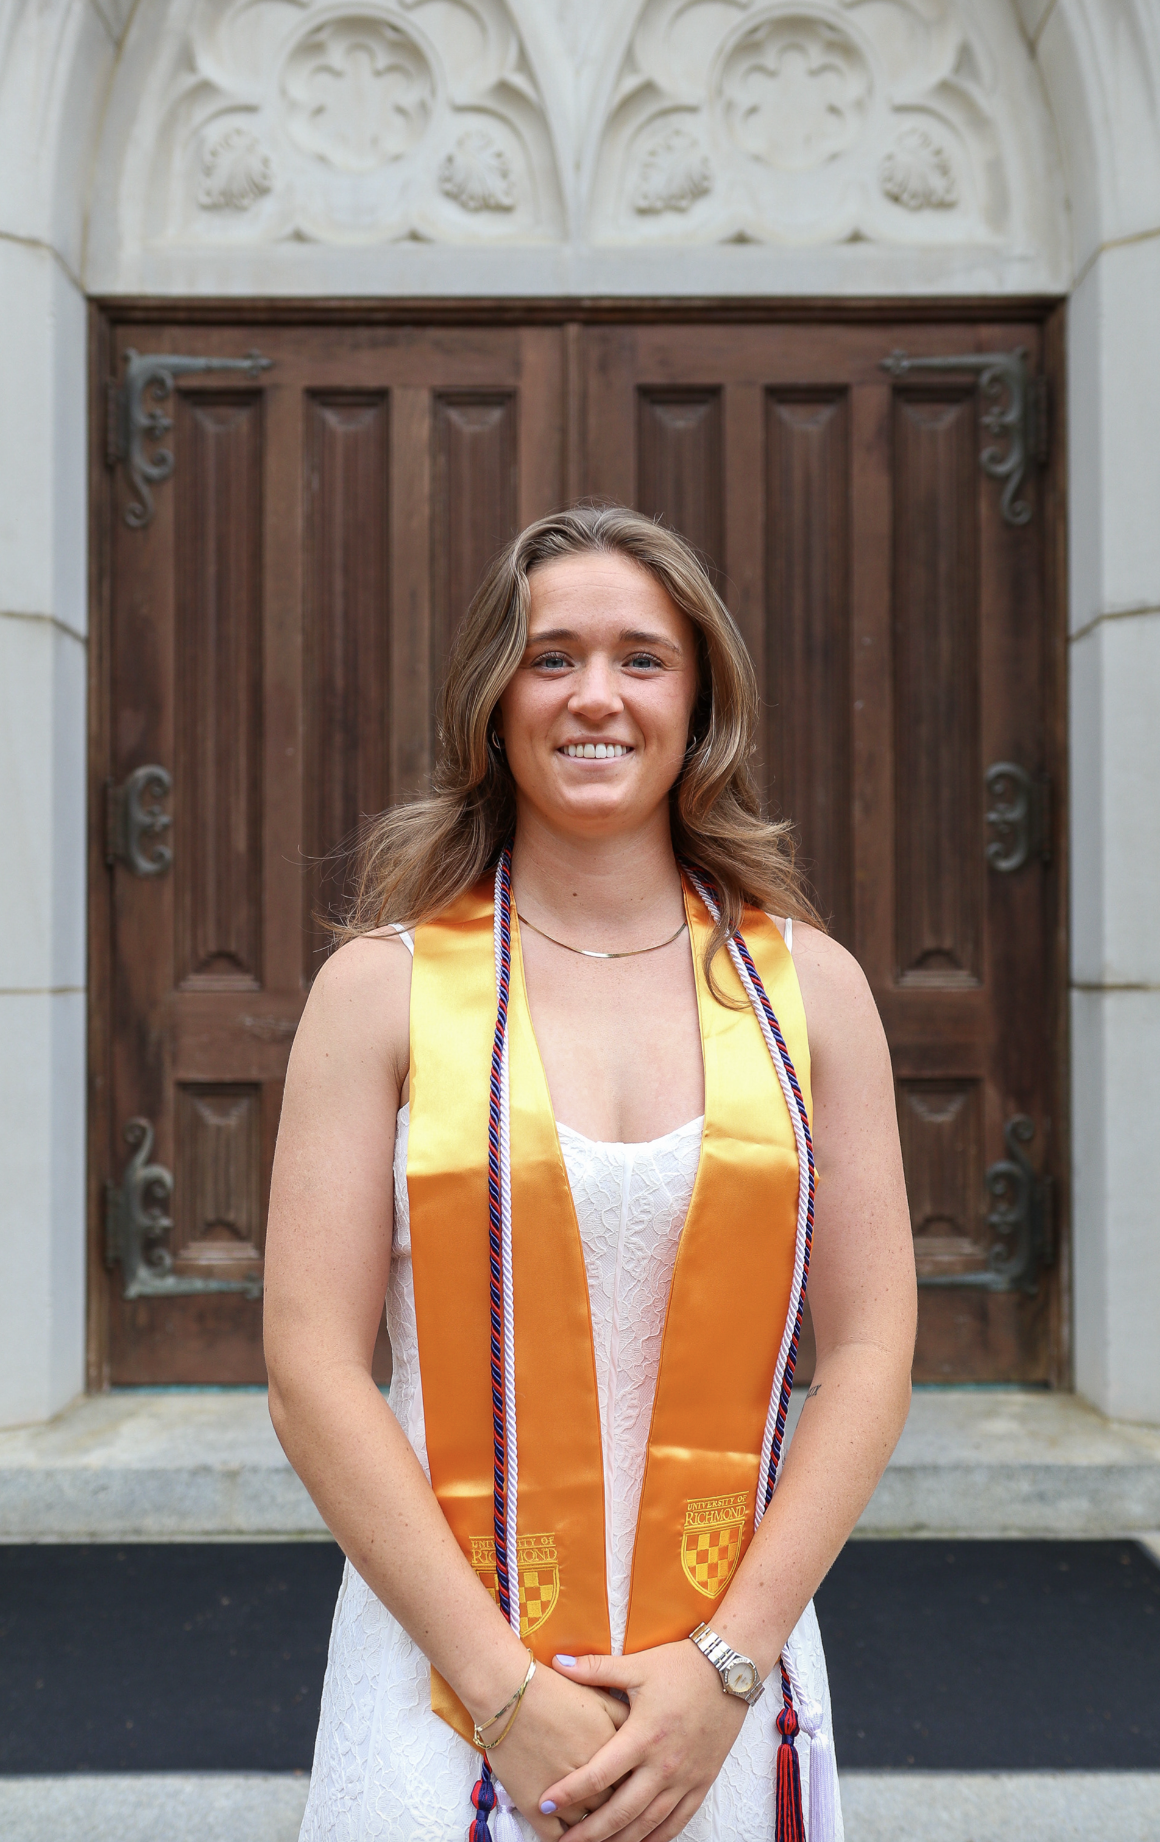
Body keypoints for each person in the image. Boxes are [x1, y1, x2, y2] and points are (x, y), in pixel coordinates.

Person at [264, 505, 917, 1842]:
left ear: (700, 698)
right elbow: (310, 1368)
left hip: (721, 1684)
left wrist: (728, 1664)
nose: (595, 696)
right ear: (496, 699)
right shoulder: (377, 993)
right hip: (443, 1682)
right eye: (551, 656)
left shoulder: (814, 995)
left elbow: (868, 1350)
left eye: (642, 657)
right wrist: (506, 1695)